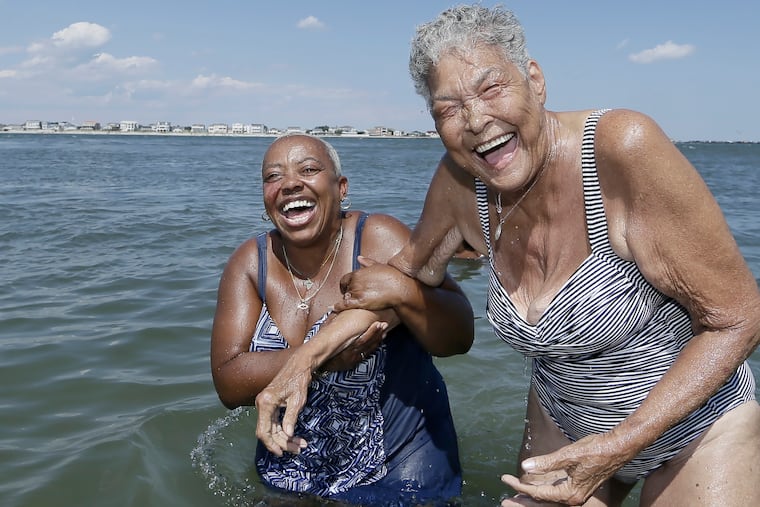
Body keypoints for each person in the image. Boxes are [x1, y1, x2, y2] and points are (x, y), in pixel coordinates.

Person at [333, 5, 760, 506]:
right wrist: (300, 367)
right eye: (447, 109)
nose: (475, 120)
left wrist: (617, 448)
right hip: (566, 428)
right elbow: (404, 275)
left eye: (491, 89)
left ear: (534, 79)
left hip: (697, 430)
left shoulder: (621, 148)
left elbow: (738, 318)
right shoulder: (460, 184)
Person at [210, 133, 474, 506]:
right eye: (273, 177)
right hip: (291, 468)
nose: (289, 184)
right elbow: (228, 383)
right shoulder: (252, 263)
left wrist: (403, 291)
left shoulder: (377, 238)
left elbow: (459, 335)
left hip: (400, 466)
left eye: (309, 169)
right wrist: (320, 361)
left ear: (341, 188)